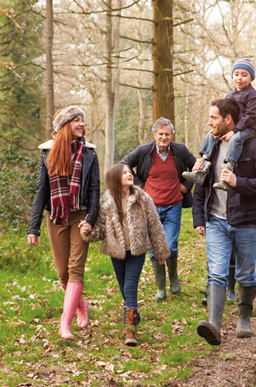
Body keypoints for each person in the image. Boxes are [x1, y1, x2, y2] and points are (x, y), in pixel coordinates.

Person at [192, 98, 256, 346]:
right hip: (216, 221)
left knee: (244, 274)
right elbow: (201, 185)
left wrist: (238, 183)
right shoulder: (210, 146)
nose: (209, 122)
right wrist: (199, 216)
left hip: (246, 221)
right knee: (216, 273)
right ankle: (214, 326)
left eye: (214, 118)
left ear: (228, 119)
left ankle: (244, 318)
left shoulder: (254, 148)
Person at [27, 106, 100, 340]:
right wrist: (33, 227)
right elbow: (41, 190)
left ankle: (64, 325)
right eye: (76, 120)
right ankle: (81, 306)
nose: (81, 124)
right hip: (56, 217)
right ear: (64, 126)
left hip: (80, 216)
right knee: (62, 273)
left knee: (75, 269)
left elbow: (95, 189)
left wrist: (91, 218)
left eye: (82, 120)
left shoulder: (89, 153)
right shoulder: (47, 153)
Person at [80, 164, 170, 346]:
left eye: (130, 172)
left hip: (137, 251)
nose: (129, 175)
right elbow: (100, 231)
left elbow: (155, 225)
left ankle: (130, 331)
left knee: (130, 287)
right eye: (124, 173)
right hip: (117, 252)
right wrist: (87, 230)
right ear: (114, 179)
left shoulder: (142, 198)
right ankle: (133, 312)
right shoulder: (106, 202)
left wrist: (161, 250)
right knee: (124, 290)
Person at [121, 117, 196, 301]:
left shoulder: (180, 150)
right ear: (154, 134)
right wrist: (139, 186)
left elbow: (197, 166)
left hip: (173, 205)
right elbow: (124, 163)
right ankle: (161, 288)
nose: (164, 137)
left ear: (172, 135)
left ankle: (174, 278)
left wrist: (186, 185)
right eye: (160, 134)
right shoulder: (144, 151)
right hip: (149, 208)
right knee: (155, 248)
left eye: (167, 134)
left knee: (170, 245)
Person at [183, 58, 256, 192]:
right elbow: (226, 114)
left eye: (244, 75)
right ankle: (202, 168)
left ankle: (228, 169)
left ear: (251, 79)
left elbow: (250, 116)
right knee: (211, 134)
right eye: (236, 74)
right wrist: (223, 128)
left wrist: (235, 131)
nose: (239, 78)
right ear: (232, 76)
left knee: (236, 139)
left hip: (250, 128)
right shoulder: (230, 95)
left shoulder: (253, 96)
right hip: (235, 127)